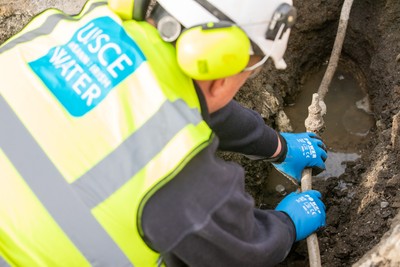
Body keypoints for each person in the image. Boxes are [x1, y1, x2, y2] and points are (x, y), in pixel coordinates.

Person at [0, 0, 328, 266]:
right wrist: (285, 224)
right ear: (224, 77)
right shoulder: (173, 170)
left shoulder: (59, 31)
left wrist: (276, 146)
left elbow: (178, 105)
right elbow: (242, 251)